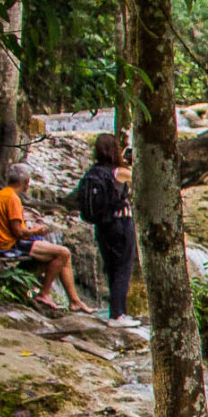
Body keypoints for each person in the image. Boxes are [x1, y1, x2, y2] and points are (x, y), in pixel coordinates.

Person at [0, 164, 85, 311]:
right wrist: (35, 231)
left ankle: (75, 301)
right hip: (10, 244)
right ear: (26, 182)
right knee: (63, 253)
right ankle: (44, 294)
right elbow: (18, 232)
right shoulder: (12, 198)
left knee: (64, 256)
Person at [73, 133, 140, 326]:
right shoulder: (119, 172)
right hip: (120, 225)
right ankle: (118, 315)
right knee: (123, 268)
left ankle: (115, 312)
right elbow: (140, 179)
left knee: (111, 268)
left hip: (102, 227)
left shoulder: (93, 173)